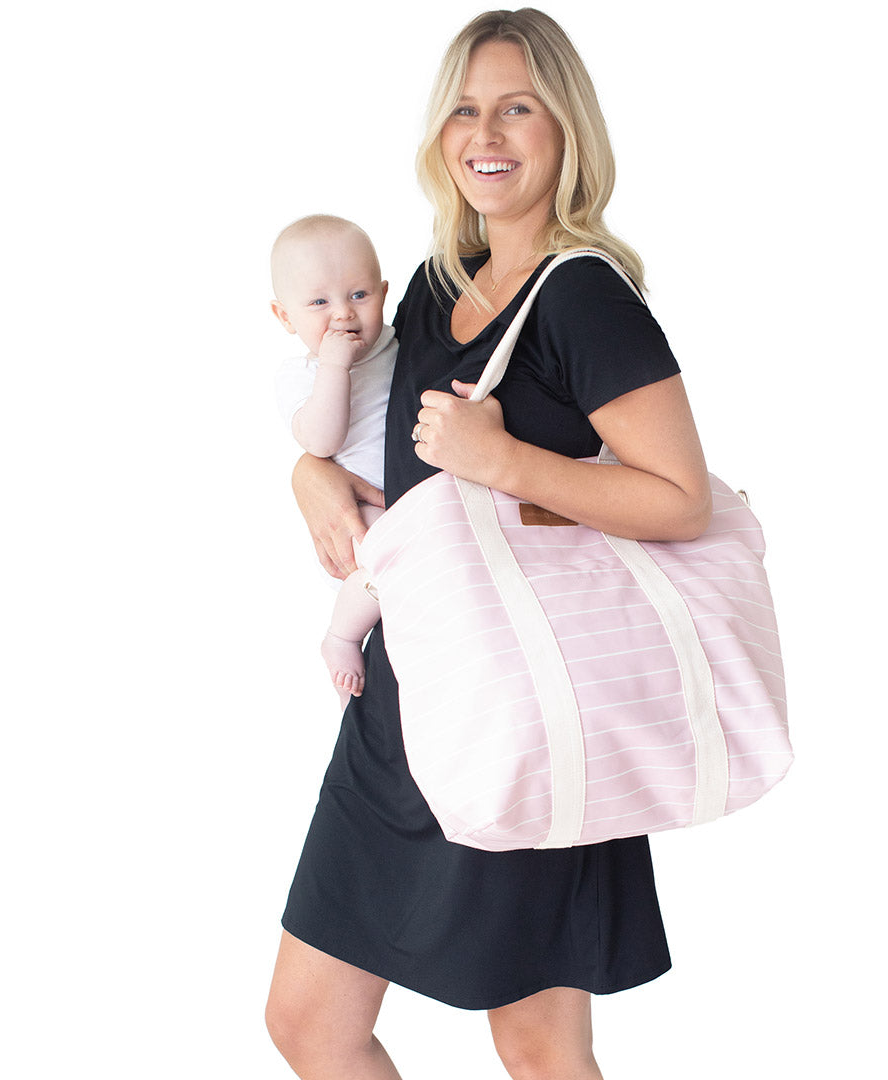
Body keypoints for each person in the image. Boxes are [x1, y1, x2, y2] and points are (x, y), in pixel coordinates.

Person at [266, 9, 712, 1079]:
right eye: (465, 108)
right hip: (402, 708)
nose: (486, 132)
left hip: (524, 713)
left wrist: (505, 461)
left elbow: (682, 502)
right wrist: (308, 475)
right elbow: (364, 436)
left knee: (537, 1043)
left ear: (565, 129)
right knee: (308, 1024)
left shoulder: (585, 296)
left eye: (517, 105)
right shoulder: (429, 286)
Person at [270, 215, 392, 705]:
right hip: (356, 511)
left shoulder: (398, 345)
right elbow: (320, 442)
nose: (342, 314)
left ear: (384, 292)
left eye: (359, 295)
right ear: (284, 317)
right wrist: (334, 369)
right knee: (389, 565)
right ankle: (341, 637)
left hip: (416, 499)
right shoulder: (299, 376)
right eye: (319, 302)